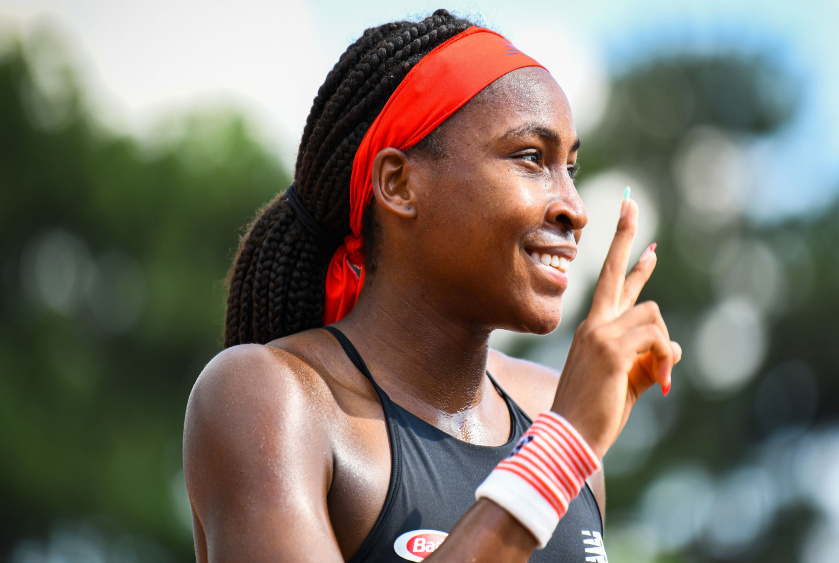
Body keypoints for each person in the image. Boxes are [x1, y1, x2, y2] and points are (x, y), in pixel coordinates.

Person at [183, 9, 681, 562]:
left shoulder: (548, 406)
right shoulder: (273, 399)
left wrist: (565, 437)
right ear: (399, 183)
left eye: (571, 168)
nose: (575, 209)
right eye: (531, 158)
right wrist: (559, 450)